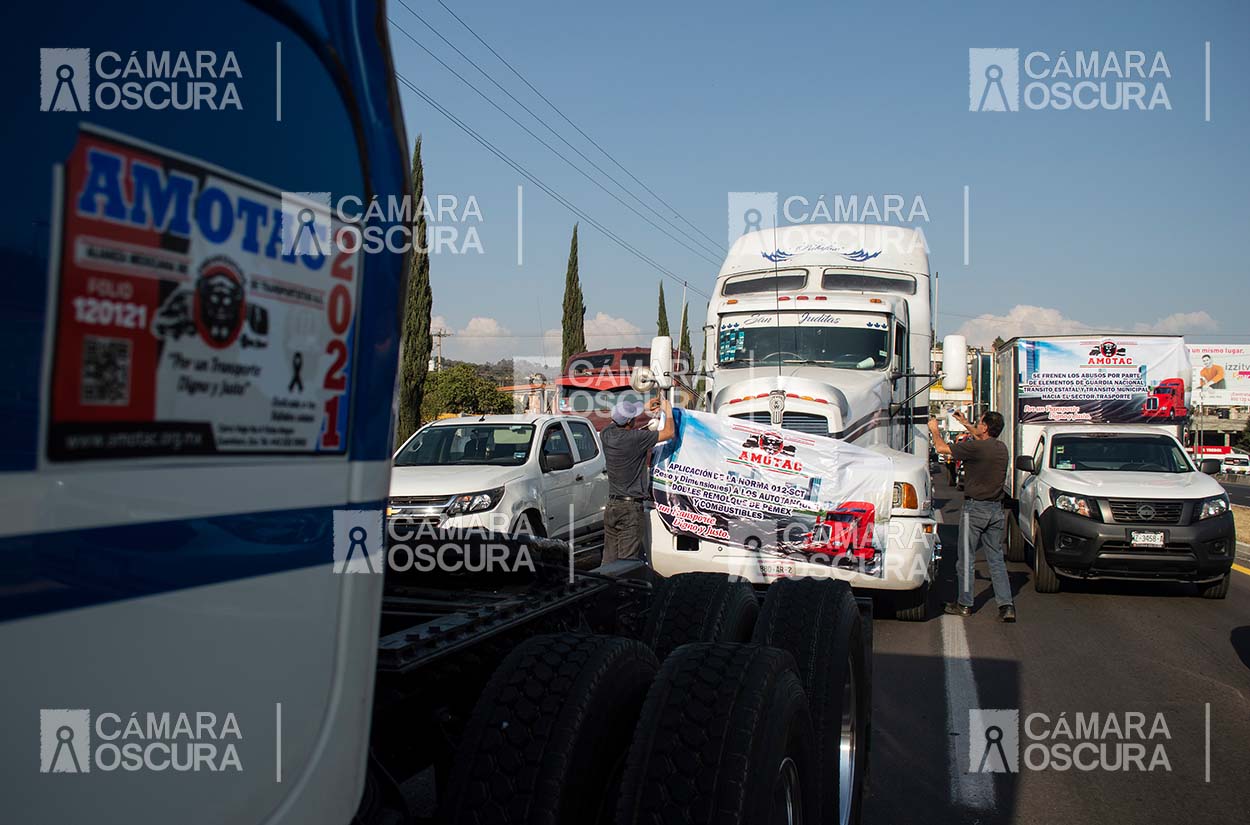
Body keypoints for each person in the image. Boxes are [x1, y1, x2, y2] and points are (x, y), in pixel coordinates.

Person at [929, 410, 1016, 622]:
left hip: (974, 509)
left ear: (985, 427)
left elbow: (941, 448)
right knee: (996, 560)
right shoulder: (1001, 448)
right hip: (996, 510)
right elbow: (981, 437)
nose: (977, 425)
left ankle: (965, 604)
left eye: (980, 423)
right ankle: (1006, 606)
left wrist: (934, 430)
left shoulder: (975, 448)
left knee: (966, 559)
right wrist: (965, 423)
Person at [599, 394, 676, 564]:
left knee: (609, 561)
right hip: (630, 509)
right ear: (629, 422)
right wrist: (668, 411)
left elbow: (622, 423)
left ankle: (603, 582)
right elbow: (669, 432)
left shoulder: (606, 434)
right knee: (626, 563)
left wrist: (643, 408)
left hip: (612, 506)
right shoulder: (635, 439)